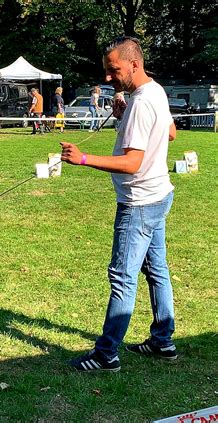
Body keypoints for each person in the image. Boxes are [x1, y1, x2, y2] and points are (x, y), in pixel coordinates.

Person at [61, 36, 178, 372]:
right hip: (158, 196)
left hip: (139, 202)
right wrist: (124, 116)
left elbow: (132, 163)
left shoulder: (143, 102)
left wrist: (83, 158)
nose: (109, 77)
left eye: (114, 70)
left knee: (122, 278)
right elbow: (169, 133)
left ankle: (106, 353)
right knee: (157, 270)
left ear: (134, 64)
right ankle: (163, 340)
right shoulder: (154, 91)